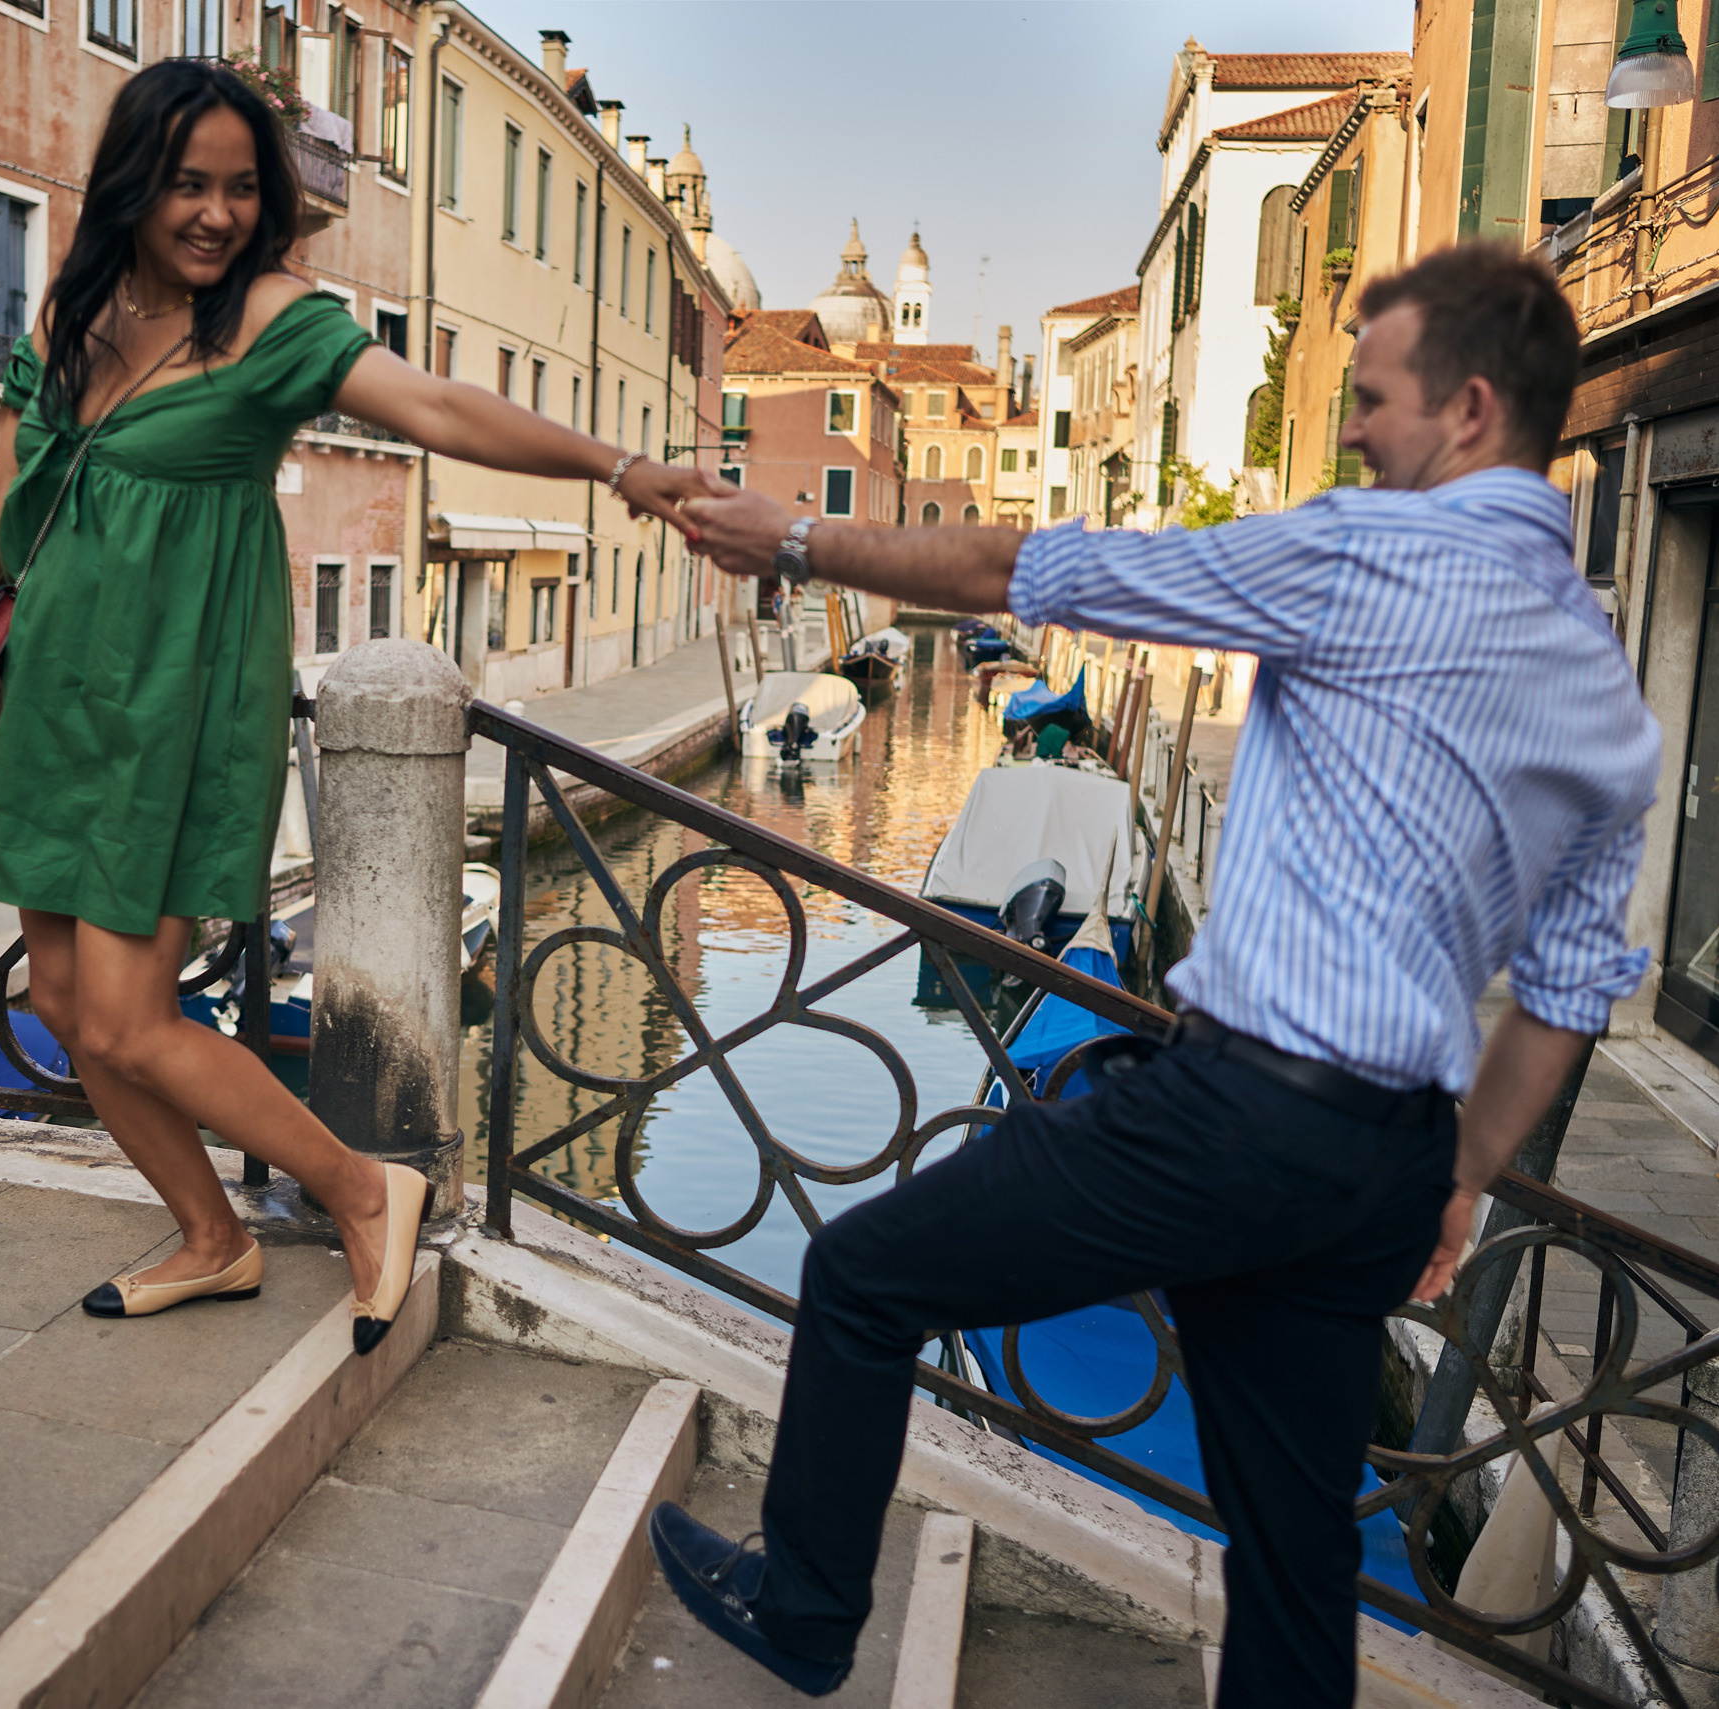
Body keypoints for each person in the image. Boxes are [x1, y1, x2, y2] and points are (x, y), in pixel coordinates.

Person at [657, 243, 1661, 1705]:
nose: (1351, 429)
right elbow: (1567, 998)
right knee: (1297, 1556)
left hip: (1232, 1117)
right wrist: (1457, 1178)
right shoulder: (1605, 684)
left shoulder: (1361, 552)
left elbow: (1031, 569)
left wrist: (798, 541)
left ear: (1470, 410)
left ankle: (807, 1610)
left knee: (863, 1277)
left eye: (1374, 398)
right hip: (1383, 1163)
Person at [0, 62, 708, 1352]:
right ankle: (213, 1241)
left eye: (240, 188)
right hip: (56, 696)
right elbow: (3, 494)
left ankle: (363, 1187)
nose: (216, 213)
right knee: (63, 1003)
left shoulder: (272, 322)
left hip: (172, 708)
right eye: (187, 184)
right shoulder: (75, 316)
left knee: (130, 1019)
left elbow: (433, 403)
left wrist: (616, 464)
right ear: (133, 185)